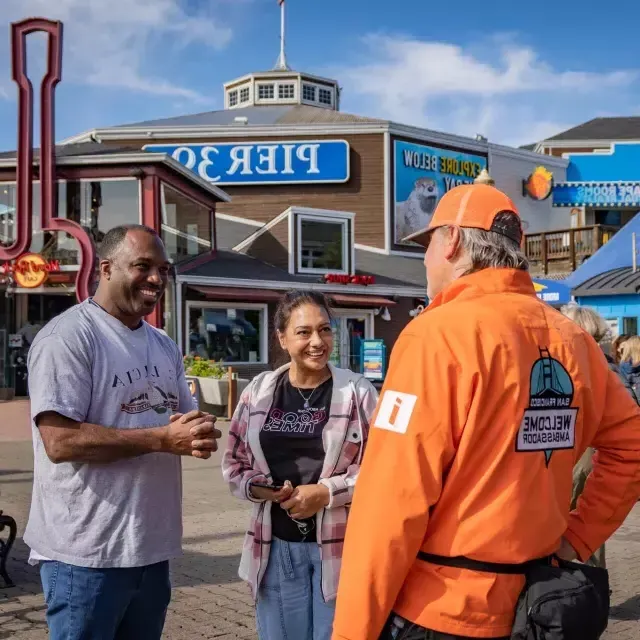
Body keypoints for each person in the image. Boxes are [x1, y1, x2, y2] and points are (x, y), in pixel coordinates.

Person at [331, 184, 640, 640]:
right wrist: (578, 536)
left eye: (429, 243)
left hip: (443, 608)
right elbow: (630, 444)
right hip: (541, 606)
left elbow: (390, 504)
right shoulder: (572, 339)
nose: (425, 260)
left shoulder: (435, 336)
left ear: (453, 241)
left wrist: (353, 632)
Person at [24, 224, 221, 640]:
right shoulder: (68, 338)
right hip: (86, 556)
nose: (155, 279)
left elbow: (178, 422)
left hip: (150, 549)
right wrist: (162, 440)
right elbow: (59, 442)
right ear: (107, 268)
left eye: (163, 270)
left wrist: (198, 432)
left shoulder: (162, 344)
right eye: (143, 266)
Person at [222, 290, 378, 640]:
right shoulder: (259, 392)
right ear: (282, 337)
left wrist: (327, 493)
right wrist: (259, 488)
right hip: (275, 547)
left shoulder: (358, 394)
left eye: (325, 330)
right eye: (304, 332)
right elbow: (234, 463)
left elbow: (384, 470)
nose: (317, 342)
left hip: (340, 548)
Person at [560, 304, 638, 569]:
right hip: (591, 454)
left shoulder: (588, 369)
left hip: (590, 454)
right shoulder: (600, 366)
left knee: (577, 523)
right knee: (588, 527)